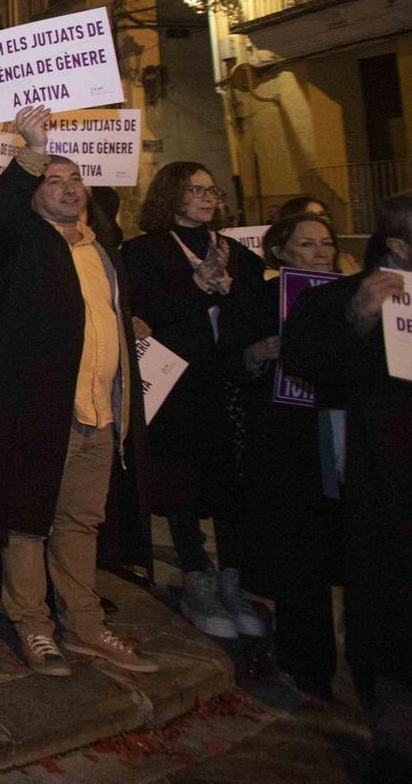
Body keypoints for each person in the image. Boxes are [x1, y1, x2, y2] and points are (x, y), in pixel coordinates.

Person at [0, 107, 157, 677]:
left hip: (100, 412)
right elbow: (1, 217)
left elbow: (98, 315)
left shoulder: (100, 250)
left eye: (74, 181)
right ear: (34, 195)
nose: (67, 189)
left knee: (80, 522)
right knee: (27, 520)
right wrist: (32, 148)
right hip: (43, 412)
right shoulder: (22, 243)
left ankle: (85, 627)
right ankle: (33, 626)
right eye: (53, 181)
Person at [283, 196, 412, 781]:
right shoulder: (335, 299)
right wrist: (359, 317)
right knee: (389, 614)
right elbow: (307, 359)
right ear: (398, 248)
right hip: (388, 493)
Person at [123, 161, 265, 640]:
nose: (207, 198)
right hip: (178, 384)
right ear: (172, 196)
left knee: (233, 483)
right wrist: (196, 287)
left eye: (212, 189)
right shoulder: (142, 252)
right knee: (184, 481)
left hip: (227, 382)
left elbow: (253, 315)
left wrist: (229, 293)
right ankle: (195, 573)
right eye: (195, 190)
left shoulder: (237, 254)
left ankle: (234, 577)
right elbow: (142, 314)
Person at [238, 212, 344, 699]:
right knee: (303, 558)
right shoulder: (262, 299)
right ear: (279, 251)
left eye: (326, 243)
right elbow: (231, 364)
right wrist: (259, 352)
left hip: (346, 435)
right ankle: (308, 665)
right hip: (292, 442)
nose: (320, 253)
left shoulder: (356, 296)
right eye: (307, 244)